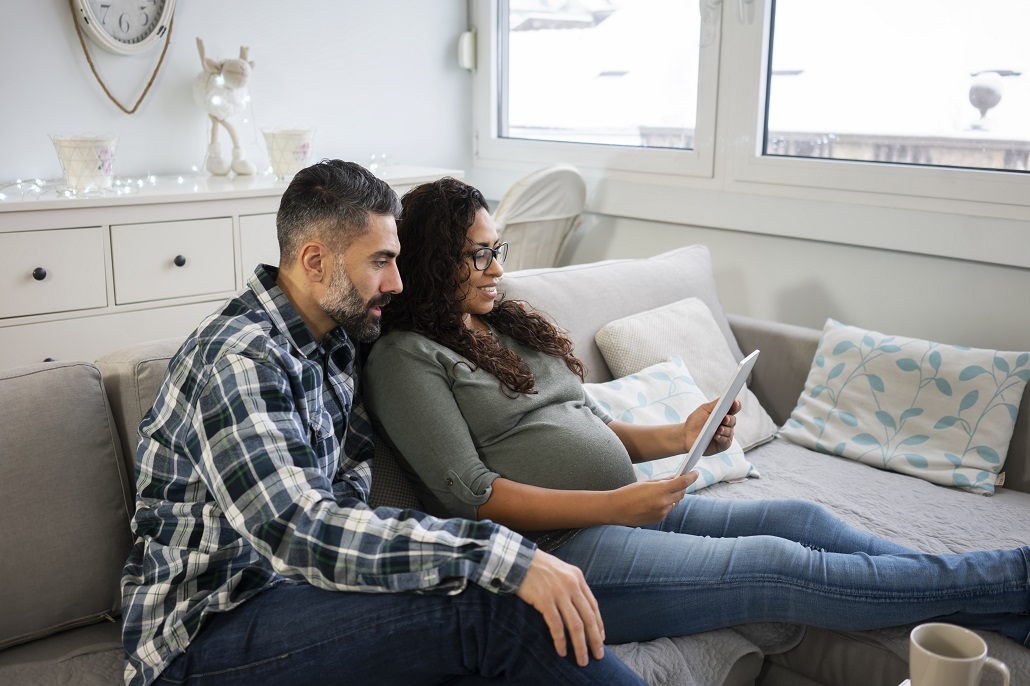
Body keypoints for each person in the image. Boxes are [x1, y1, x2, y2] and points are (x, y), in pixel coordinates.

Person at [363, 176, 1030, 649]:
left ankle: (1008, 610)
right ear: (429, 258)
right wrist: (615, 507)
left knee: (796, 516)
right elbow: (476, 499)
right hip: (554, 560)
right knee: (776, 564)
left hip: (622, 508)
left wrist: (682, 437)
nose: (495, 268)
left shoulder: (502, 326)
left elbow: (581, 425)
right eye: (476, 254)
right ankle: (1011, 577)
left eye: (497, 250)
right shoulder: (406, 358)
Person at [121, 160, 650, 686]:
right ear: (314, 261)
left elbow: (351, 498)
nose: (397, 282)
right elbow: (300, 530)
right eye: (381, 262)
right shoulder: (240, 361)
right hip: (207, 631)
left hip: (303, 596)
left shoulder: (335, 344)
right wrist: (497, 552)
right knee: (497, 606)